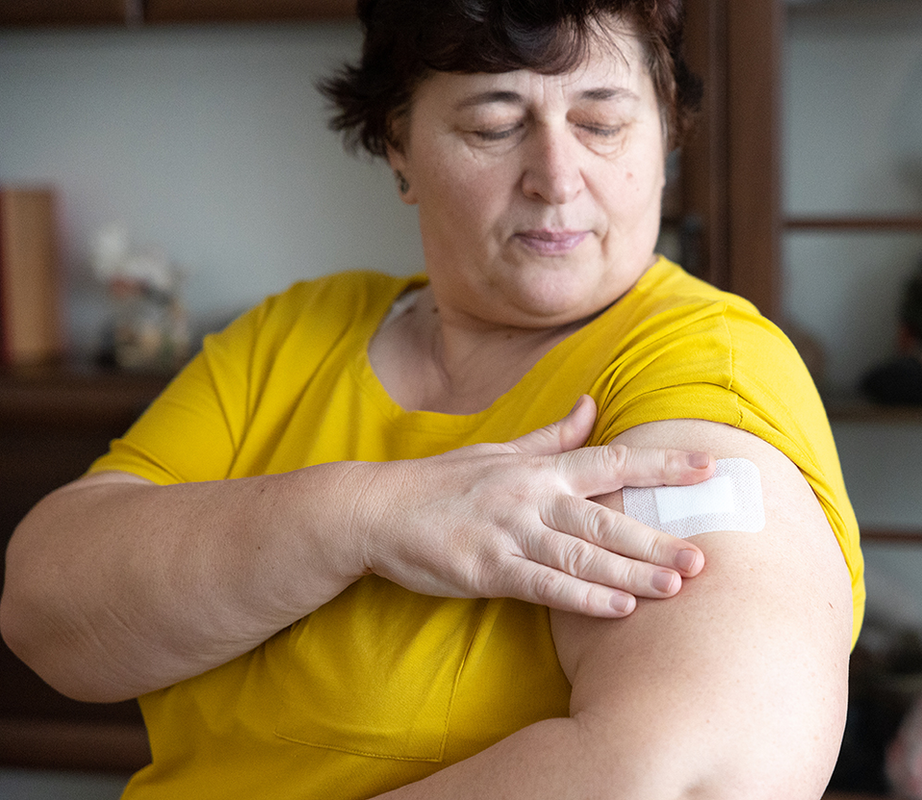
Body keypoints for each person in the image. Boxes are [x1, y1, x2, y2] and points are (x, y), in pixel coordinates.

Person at [0, 1, 865, 798]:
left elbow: (695, 774)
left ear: (665, 134)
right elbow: (44, 614)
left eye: (602, 122)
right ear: (398, 146)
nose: (557, 178)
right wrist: (363, 517)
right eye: (495, 124)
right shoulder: (293, 334)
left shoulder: (702, 371)